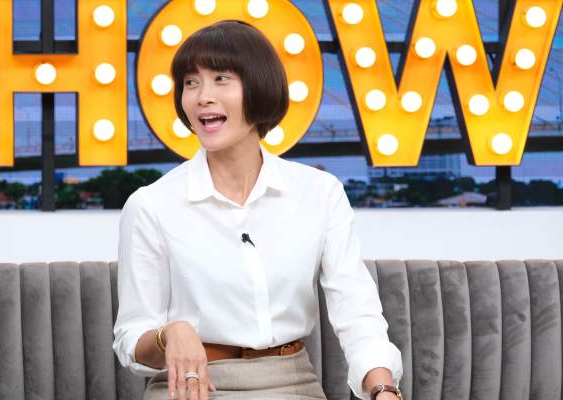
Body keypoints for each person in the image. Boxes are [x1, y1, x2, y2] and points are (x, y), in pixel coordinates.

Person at [112, 20, 403, 400]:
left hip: (292, 384)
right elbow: (131, 337)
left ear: (260, 88)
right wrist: (170, 335)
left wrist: (383, 389)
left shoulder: (319, 193)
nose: (202, 97)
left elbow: (356, 311)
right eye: (191, 82)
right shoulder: (151, 205)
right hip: (192, 388)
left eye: (221, 79)